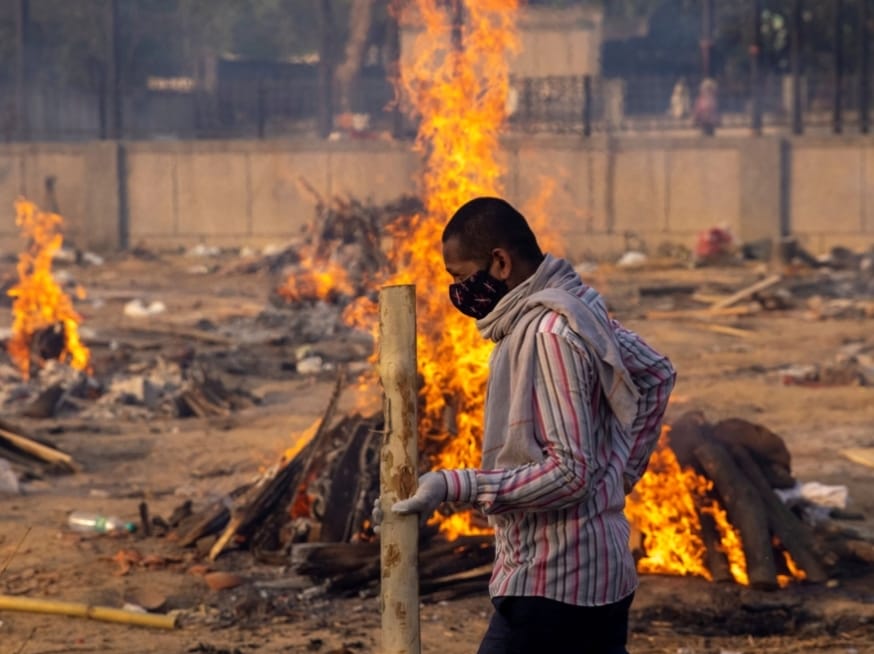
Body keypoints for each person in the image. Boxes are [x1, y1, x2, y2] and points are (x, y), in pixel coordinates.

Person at [387, 197, 676, 654]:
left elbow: (570, 474)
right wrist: (619, 472)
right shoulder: (576, 305)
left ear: (499, 262)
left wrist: (452, 485)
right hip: (602, 572)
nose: (459, 291)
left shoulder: (546, 335)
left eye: (460, 277)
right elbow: (656, 373)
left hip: (554, 581)